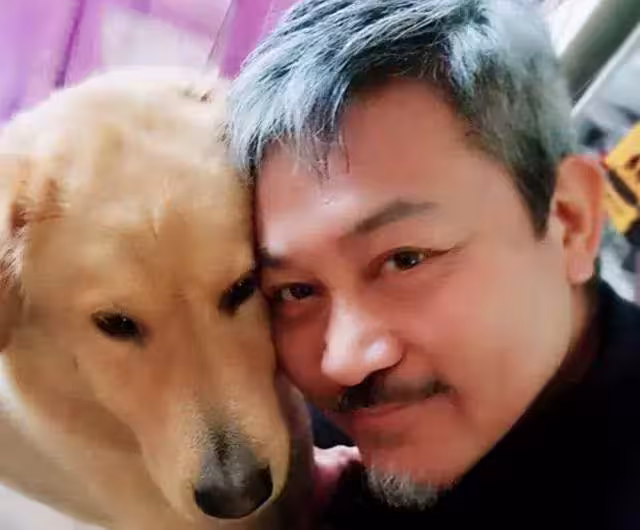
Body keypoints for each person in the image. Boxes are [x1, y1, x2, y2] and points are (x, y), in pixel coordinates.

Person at [227, 0, 640, 527]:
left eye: (405, 260)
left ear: (570, 220)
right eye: (295, 290)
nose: (344, 361)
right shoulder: (302, 447)